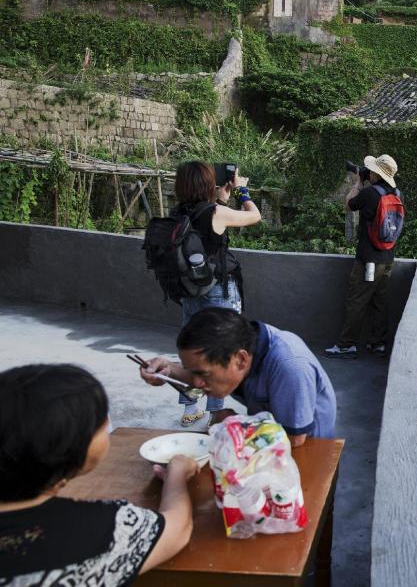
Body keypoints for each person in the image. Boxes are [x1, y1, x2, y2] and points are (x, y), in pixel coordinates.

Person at [0, 364, 198, 586]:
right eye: (101, 421)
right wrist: (177, 474)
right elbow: (177, 529)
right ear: (76, 447)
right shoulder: (102, 531)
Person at [139, 308, 337, 444]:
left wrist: (237, 424)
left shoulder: (290, 367)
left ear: (241, 360)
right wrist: (169, 370)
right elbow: (204, 378)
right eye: (194, 371)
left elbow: (295, 440)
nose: (198, 383)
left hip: (307, 454)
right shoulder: (244, 346)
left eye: (203, 374)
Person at [171, 161, 262, 426]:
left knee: (192, 346)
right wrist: (242, 191)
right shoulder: (216, 213)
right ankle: (214, 415)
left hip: (190, 290)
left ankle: (189, 409)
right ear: (207, 184)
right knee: (220, 351)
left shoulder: (178, 212)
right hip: (218, 290)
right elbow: (254, 216)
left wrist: (221, 200)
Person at [325, 154, 402, 359]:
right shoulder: (397, 193)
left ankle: (346, 345)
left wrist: (358, 181)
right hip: (388, 259)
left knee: (357, 300)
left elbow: (349, 204)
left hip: (369, 260)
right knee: (379, 301)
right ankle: (378, 344)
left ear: (376, 173)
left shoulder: (369, 193)